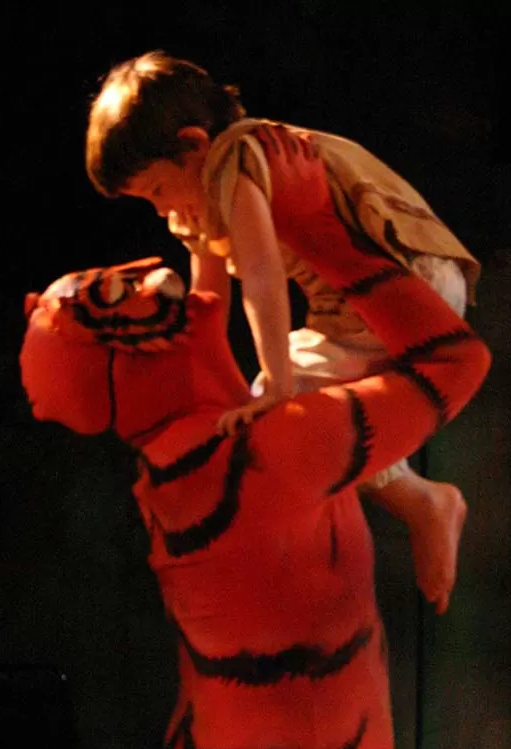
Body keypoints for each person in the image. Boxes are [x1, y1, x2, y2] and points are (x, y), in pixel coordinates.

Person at [20, 126, 490, 749]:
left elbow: (207, 309)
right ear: (129, 360)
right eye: (123, 292)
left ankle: (418, 498)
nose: (155, 271)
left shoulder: (183, 464)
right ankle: (421, 498)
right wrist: (318, 226)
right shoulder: (275, 450)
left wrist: (210, 240)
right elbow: (459, 359)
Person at [84, 51, 483, 614]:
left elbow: (262, 276)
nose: (159, 208)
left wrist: (274, 382)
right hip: (351, 306)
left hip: (408, 279)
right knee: (286, 415)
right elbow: (208, 305)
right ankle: (419, 503)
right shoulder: (205, 190)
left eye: (156, 189)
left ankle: (383, 525)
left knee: (282, 415)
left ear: (193, 145)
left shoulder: (239, 157)